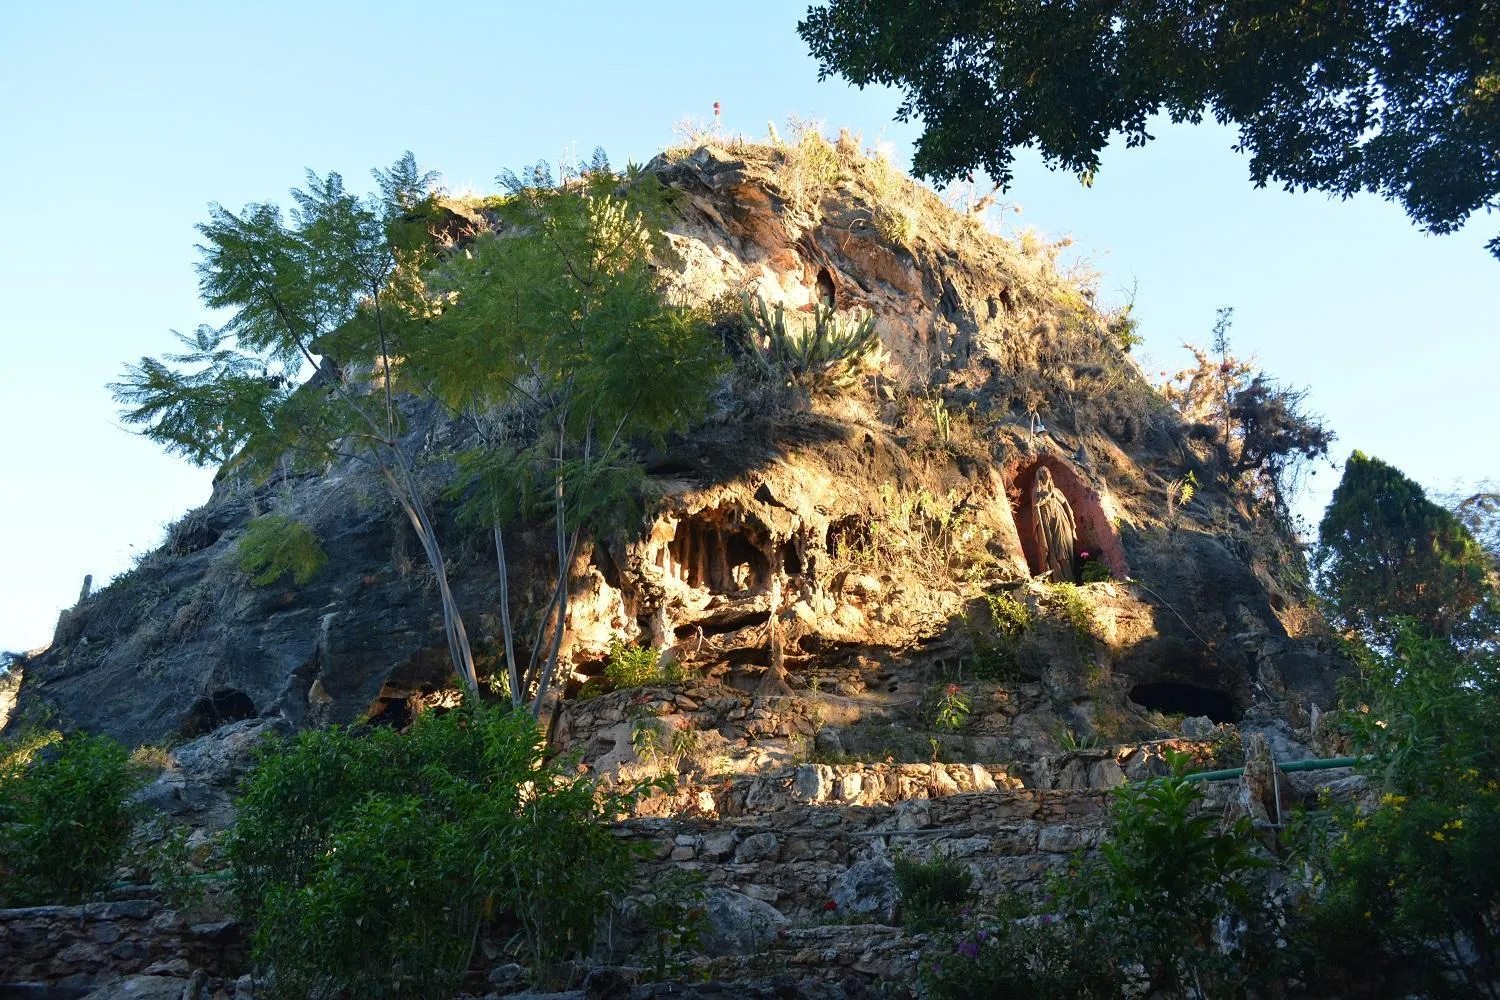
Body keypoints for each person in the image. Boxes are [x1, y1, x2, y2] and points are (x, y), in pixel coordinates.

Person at [1032, 466, 1077, 582]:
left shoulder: (1056, 491)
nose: (1045, 472)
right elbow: (1036, 504)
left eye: (1047, 470)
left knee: (1064, 549)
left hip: (1060, 520)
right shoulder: (1036, 491)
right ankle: (1056, 578)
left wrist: (1072, 525)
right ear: (1039, 475)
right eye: (1041, 471)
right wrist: (1047, 497)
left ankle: (1069, 578)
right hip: (1047, 521)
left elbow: (1066, 505)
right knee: (1052, 549)